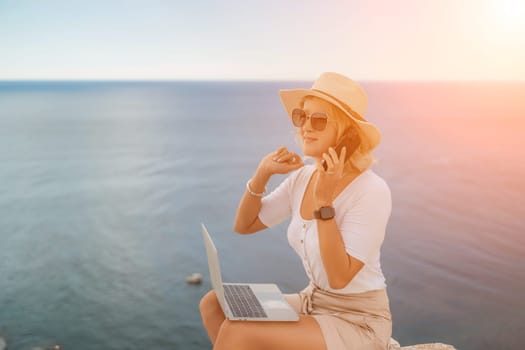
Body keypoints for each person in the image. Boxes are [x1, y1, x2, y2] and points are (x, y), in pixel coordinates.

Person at [199, 72, 393, 350]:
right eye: (302, 117)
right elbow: (245, 225)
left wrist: (324, 203)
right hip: (312, 301)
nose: (305, 127)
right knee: (214, 304)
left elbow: (339, 278)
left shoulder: (371, 190)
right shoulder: (303, 178)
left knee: (239, 330)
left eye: (319, 120)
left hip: (357, 321)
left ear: (347, 134)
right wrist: (262, 174)